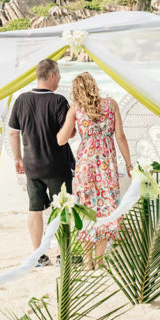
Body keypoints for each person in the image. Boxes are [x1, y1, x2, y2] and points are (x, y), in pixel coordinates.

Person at [57, 72, 132, 269]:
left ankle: (88, 262)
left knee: (85, 211)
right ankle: (99, 261)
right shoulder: (111, 104)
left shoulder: (75, 109)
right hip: (107, 166)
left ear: (76, 91)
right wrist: (129, 164)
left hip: (86, 166)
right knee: (107, 209)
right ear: (94, 86)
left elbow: (61, 140)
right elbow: (121, 137)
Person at [9, 59, 75, 267]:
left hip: (32, 165)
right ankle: (61, 255)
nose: (60, 79)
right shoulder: (58, 101)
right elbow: (69, 133)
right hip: (57, 165)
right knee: (62, 209)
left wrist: (17, 158)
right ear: (52, 75)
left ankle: (38, 255)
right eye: (59, 75)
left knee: (35, 208)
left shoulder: (21, 100)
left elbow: (13, 132)